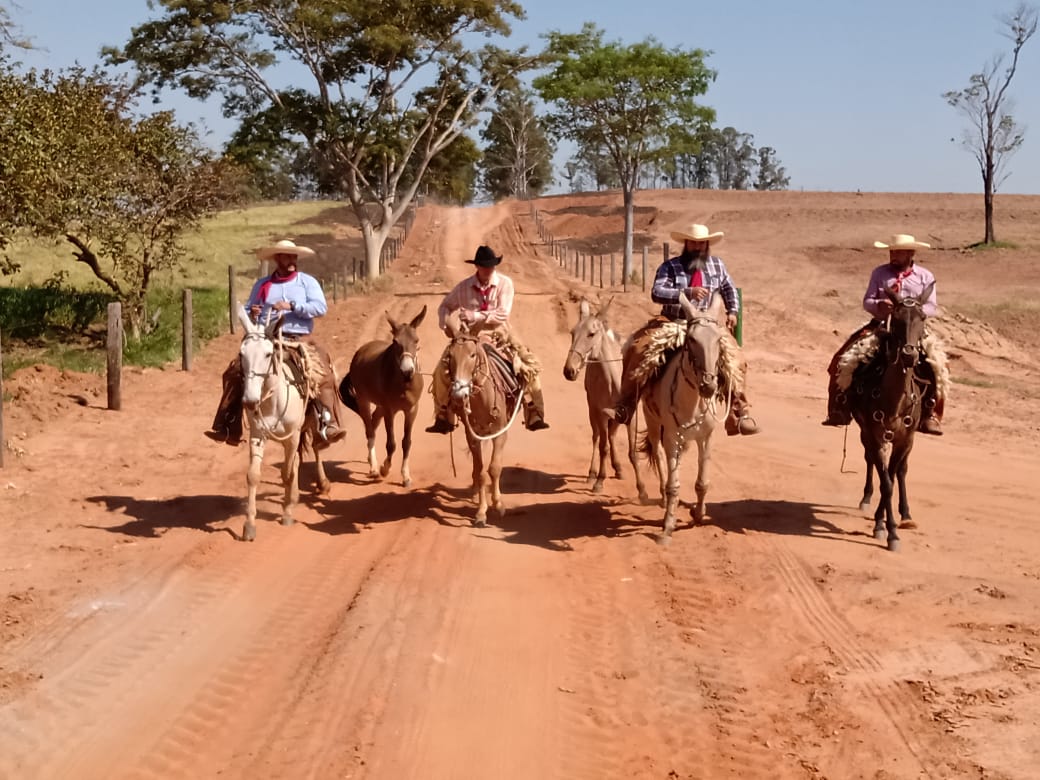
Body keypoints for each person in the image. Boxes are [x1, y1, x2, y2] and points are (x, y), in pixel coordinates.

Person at [611, 223, 759, 436]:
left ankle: (738, 413)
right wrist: (687, 292)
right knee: (638, 350)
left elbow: (729, 289)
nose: (697, 247)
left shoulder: (717, 265)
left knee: (737, 360)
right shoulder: (670, 266)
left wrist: (732, 312)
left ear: (707, 245)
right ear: (686, 244)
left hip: (707, 326)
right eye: (693, 243)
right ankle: (626, 405)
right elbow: (657, 292)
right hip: (672, 321)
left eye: (701, 243)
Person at [206, 239, 347, 447]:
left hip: (298, 338)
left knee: (322, 369)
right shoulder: (263, 285)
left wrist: (293, 306)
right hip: (267, 338)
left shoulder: (306, 282)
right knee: (235, 370)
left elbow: (320, 307)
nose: (291, 260)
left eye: (293, 256)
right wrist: (253, 312)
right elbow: (247, 311)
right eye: (286, 256)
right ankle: (228, 424)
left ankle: (327, 423)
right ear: (277, 259)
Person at [822, 233, 944, 435]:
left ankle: (931, 413)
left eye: (898, 251)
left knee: (939, 365)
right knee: (843, 358)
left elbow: (932, 307)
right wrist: (879, 304)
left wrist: (910, 309)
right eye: (892, 251)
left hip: (913, 330)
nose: (893, 255)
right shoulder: (879, 273)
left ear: (910, 253)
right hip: (880, 326)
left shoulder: (925, 277)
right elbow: (867, 301)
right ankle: (839, 406)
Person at [426, 244, 550, 433]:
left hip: (500, 335)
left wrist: (474, 316)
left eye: (491, 266)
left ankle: (533, 411)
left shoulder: (505, 284)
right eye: (484, 266)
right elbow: (444, 306)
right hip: (467, 338)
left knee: (528, 366)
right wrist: (445, 324)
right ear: (477, 267)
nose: (488, 270)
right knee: (441, 370)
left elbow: (502, 313)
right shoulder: (463, 287)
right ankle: (443, 413)